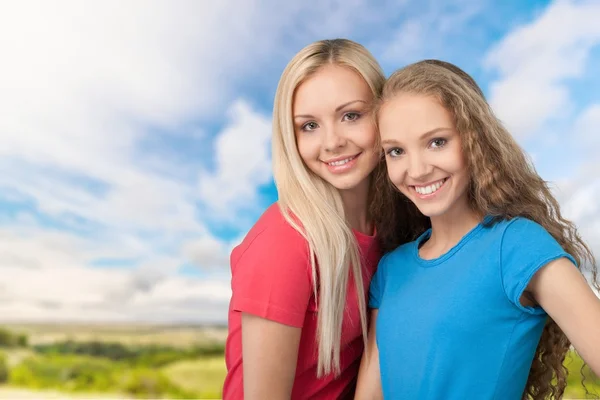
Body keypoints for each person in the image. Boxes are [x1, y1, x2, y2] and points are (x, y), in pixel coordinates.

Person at [355, 59, 600, 400]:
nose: (417, 169)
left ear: (475, 140)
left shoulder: (516, 247)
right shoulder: (391, 269)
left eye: (436, 142)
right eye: (396, 151)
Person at [222, 39, 419, 400]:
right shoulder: (284, 242)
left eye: (351, 116)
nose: (332, 142)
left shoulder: (392, 227)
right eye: (309, 126)